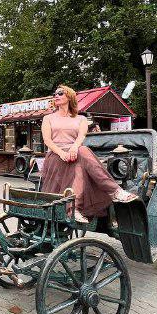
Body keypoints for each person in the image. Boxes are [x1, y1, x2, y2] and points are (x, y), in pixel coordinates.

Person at [41, 84, 136, 223]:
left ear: (70, 97)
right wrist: (62, 153)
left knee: (81, 156)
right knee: (83, 153)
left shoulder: (81, 119)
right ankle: (114, 191)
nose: (56, 96)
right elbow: (47, 141)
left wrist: (73, 149)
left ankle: (73, 209)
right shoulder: (48, 118)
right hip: (56, 156)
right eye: (54, 94)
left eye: (60, 93)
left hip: (75, 154)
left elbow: (80, 137)